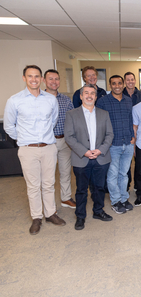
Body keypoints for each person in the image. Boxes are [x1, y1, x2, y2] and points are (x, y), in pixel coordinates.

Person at [4, 65, 65, 235]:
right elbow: (9, 126)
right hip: (27, 149)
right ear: (24, 78)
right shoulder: (14, 100)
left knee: (49, 183)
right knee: (33, 185)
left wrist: (43, 139)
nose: (34, 79)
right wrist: (25, 139)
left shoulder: (50, 99)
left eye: (37, 76)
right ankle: (36, 217)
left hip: (48, 147)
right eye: (30, 76)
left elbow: (52, 121)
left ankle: (51, 213)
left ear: (41, 79)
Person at [64, 84, 114, 230]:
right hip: (81, 158)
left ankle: (98, 211)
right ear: (81, 96)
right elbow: (69, 136)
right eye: (86, 93)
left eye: (92, 93)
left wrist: (100, 150)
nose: (89, 95)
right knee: (81, 189)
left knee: (99, 188)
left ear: (96, 96)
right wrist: (84, 151)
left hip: (101, 157)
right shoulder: (72, 114)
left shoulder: (104, 114)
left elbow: (109, 134)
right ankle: (80, 216)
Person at [97, 75, 135, 214]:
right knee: (112, 174)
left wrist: (132, 137)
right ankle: (116, 201)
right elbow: (100, 124)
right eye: (114, 83)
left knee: (124, 174)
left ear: (123, 84)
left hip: (128, 143)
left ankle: (124, 198)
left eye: (120, 83)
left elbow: (130, 119)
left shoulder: (127, 100)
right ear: (110, 85)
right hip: (113, 145)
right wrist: (105, 142)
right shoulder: (102, 101)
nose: (117, 86)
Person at [43, 69, 75, 209]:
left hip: (64, 141)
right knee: (47, 175)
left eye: (56, 79)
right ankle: (48, 206)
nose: (54, 82)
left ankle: (66, 198)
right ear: (44, 80)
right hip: (47, 142)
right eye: (51, 79)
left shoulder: (66, 100)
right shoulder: (40, 99)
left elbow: (73, 119)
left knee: (65, 172)